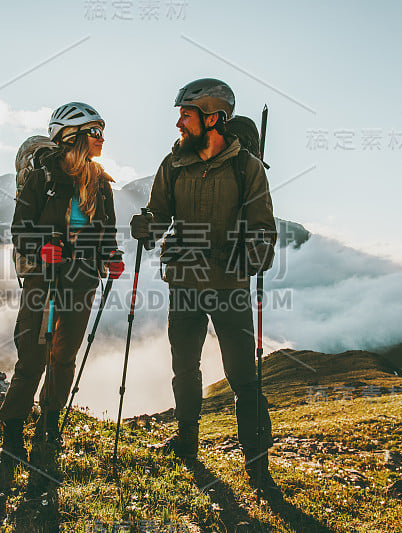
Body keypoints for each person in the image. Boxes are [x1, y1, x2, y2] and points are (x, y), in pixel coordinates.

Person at [130, 79, 279, 497]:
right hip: (184, 284)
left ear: (212, 118)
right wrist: (146, 226)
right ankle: (187, 443)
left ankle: (256, 462)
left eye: (186, 113)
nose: (178, 122)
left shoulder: (245, 167)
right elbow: (159, 215)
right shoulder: (173, 164)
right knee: (184, 367)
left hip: (229, 288)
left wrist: (251, 255)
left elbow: (265, 231)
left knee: (242, 377)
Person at [0, 102, 124, 495]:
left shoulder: (99, 182)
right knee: (32, 355)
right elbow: (20, 231)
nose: (101, 139)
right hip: (42, 279)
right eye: (95, 132)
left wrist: (110, 257)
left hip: (80, 280)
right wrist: (42, 246)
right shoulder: (41, 176)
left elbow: (106, 233)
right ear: (72, 136)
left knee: (63, 357)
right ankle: (12, 431)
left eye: (101, 132)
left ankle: (48, 427)